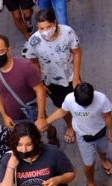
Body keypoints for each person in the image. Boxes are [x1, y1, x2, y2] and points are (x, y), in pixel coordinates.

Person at [45, 82, 112, 186]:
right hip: (83, 137)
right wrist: (47, 121)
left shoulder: (102, 99)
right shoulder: (69, 99)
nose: (85, 107)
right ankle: (91, 182)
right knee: (88, 164)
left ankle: (104, 160)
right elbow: (63, 111)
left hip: (101, 133)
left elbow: (108, 116)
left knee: (103, 150)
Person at [23, 9, 81, 143]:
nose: (45, 31)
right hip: (50, 82)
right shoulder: (34, 41)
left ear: (55, 23)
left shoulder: (68, 32)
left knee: (78, 103)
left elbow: (77, 53)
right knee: (62, 105)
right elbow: (33, 62)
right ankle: (70, 126)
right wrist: (41, 82)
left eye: (48, 27)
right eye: (41, 28)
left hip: (71, 76)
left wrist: (77, 77)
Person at [0, 121, 75, 186]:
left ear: (35, 142)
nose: (24, 150)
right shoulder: (8, 159)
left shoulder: (53, 152)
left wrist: (59, 179)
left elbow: (71, 174)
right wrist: (10, 167)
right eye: (19, 145)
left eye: (28, 145)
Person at [0, 35, 47, 129]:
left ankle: (52, 136)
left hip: (33, 111)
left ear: (8, 50)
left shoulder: (25, 67)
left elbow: (40, 90)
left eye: (0, 51)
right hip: (14, 117)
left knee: (45, 129)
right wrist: (4, 115)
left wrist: (41, 117)